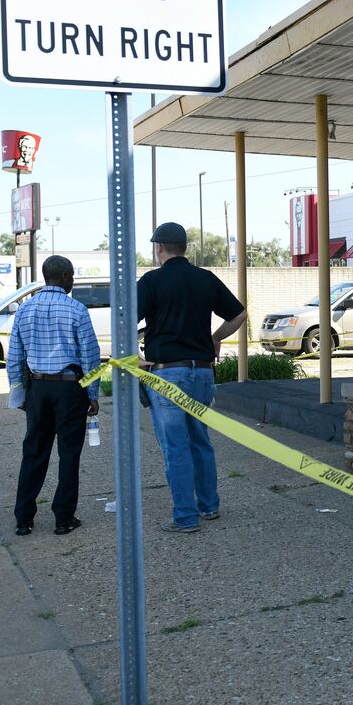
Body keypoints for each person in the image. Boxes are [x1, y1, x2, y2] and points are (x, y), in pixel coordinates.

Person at [137, 222, 247, 532]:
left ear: (159, 248)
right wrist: (215, 337)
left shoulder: (151, 281)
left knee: (176, 446)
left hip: (166, 374)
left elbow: (125, 321)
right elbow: (239, 314)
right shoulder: (206, 279)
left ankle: (185, 517)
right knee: (200, 440)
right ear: (184, 247)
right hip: (202, 373)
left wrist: (134, 356)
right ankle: (209, 506)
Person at [7, 255, 100, 537]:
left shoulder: (24, 310)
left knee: (34, 451)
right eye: (71, 276)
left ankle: (24, 518)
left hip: (37, 388)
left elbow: (14, 356)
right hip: (70, 389)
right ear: (63, 277)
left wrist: (19, 394)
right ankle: (63, 518)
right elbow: (90, 356)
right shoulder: (77, 310)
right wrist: (92, 394)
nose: (72, 280)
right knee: (69, 454)